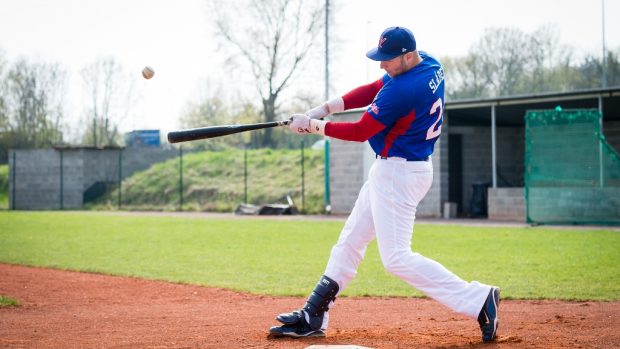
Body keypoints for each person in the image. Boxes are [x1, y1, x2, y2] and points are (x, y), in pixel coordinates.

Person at [268, 26, 500, 343]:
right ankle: (314, 313)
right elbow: (374, 87)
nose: (382, 64)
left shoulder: (404, 90)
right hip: (400, 169)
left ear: (407, 56)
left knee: (396, 258)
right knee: (350, 241)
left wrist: (313, 125)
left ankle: (479, 300)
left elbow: (362, 130)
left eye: (388, 59)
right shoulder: (428, 62)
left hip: (398, 175)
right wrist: (326, 107)